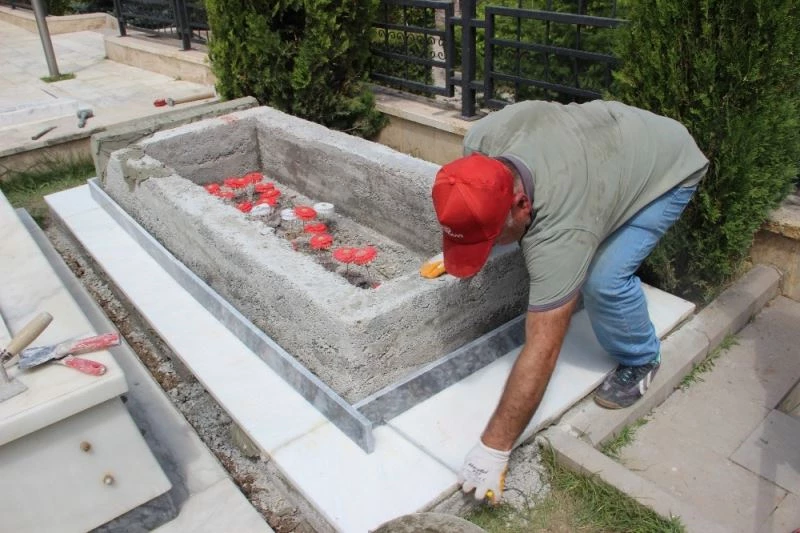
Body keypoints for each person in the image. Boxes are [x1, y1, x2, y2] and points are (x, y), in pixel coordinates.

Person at [431, 99, 709, 505]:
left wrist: (494, 447)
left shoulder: (564, 227)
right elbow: (479, 196)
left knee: (603, 280)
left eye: (493, 236)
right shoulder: (481, 141)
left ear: (523, 206)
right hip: (610, 140)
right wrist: (463, 243)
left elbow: (543, 349)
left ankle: (641, 358)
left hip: (667, 167)